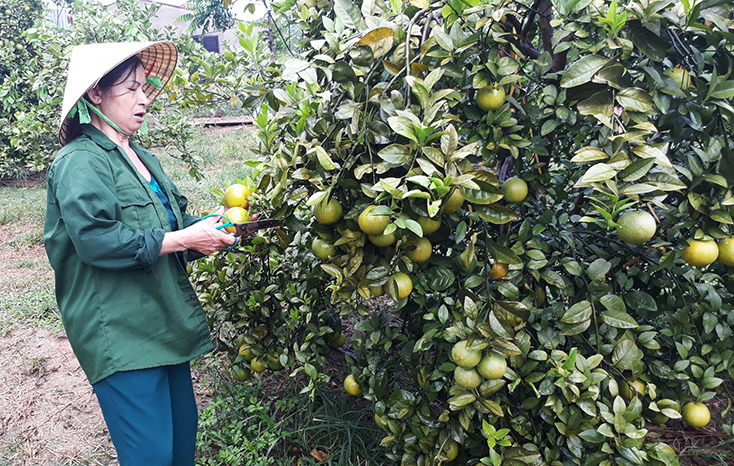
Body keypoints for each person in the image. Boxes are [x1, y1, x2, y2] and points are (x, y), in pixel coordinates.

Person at [43, 41, 235, 465]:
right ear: (96, 93)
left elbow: (174, 232)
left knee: (182, 447)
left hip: (164, 322)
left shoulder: (143, 157)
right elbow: (96, 242)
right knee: (150, 456)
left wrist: (211, 229)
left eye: (146, 87)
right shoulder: (79, 161)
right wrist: (184, 239)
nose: (144, 98)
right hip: (120, 332)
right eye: (131, 88)